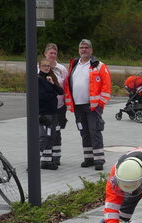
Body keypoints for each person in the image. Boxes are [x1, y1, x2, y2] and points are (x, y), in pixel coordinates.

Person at [64, 39, 112, 171]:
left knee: (94, 131)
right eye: (81, 48)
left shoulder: (99, 65)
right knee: (84, 132)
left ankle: (99, 159)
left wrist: (100, 104)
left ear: (91, 50)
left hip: (92, 106)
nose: (83, 50)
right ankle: (89, 158)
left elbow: (106, 87)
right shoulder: (74, 64)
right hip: (78, 106)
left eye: (86, 47)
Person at [42, 43, 68, 166]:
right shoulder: (40, 68)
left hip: (59, 106)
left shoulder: (61, 69)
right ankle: (46, 156)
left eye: (55, 53)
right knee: (46, 132)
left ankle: (56, 156)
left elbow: (67, 87)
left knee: (56, 131)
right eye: (50, 53)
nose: (52, 55)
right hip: (45, 107)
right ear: (45, 54)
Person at [37, 59, 64, 170]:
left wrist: (52, 84)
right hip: (44, 113)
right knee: (44, 137)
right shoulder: (38, 80)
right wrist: (53, 93)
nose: (47, 68)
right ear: (40, 66)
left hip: (53, 113)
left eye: (48, 66)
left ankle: (47, 160)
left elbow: (61, 91)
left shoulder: (49, 78)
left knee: (51, 137)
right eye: (44, 66)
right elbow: (42, 96)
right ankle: (37, 160)